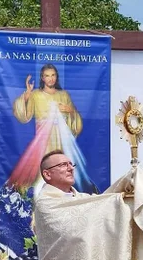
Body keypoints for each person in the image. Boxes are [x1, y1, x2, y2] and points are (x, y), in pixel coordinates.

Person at [7, 64, 93, 194]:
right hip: (43, 140)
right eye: (47, 76)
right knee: (41, 168)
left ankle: (64, 192)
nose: (50, 79)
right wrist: (27, 94)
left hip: (62, 139)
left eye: (53, 75)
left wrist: (70, 111)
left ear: (56, 77)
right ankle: (39, 194)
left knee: (62, 167)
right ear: (42, 78)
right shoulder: (36, 95)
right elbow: (24, 116)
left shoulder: (64, 95)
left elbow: (75, 122)